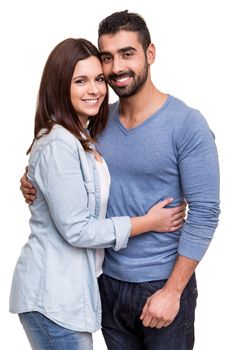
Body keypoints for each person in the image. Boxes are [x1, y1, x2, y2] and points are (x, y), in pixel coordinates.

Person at [19, 10, 220, 350]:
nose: (116, 69)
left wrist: (172, 292)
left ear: (150, 54)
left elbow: (206, 212)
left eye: (128, 54)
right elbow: (65, 169)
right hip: (105, 284)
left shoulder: (187, 124)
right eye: (107, 58)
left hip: (161, 283)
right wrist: (30, 181)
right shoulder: (96, 124)